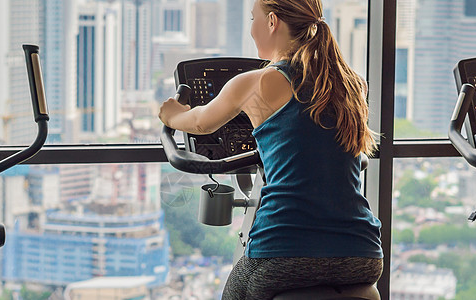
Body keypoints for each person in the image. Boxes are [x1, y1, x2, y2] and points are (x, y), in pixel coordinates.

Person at [158, 0, 382, 298]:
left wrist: (170, 114)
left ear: (273, 21)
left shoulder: (258, 82)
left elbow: (199, 123)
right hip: (363, 253)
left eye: (254, 18)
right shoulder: (354, 84)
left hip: (284, 251)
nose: (252, 28)